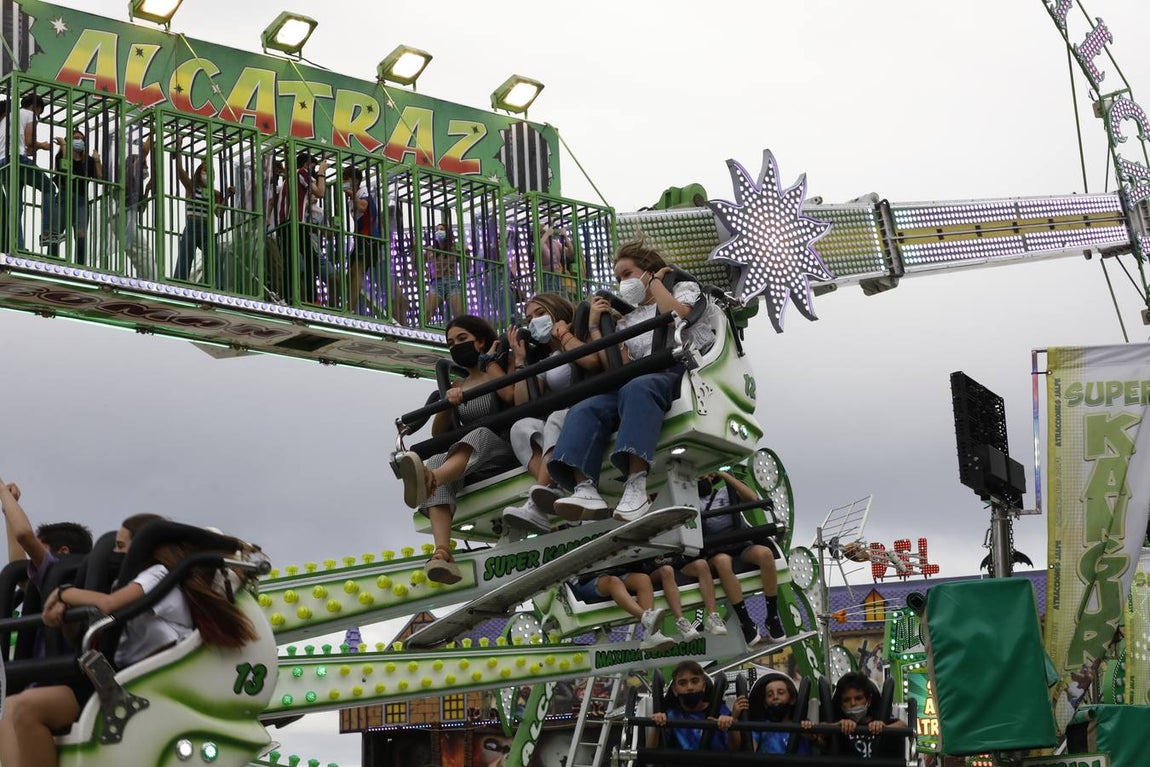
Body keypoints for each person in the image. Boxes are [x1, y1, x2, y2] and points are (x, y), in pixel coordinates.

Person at [0, 516, 259, 767]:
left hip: (140, 685)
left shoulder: (159, 575)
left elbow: (108, 604)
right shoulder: (127, 582)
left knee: (27, 708)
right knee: (9, 706)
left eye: (121, 546)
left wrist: (64, 593)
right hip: (120, 680)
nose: (114, 551)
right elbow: (92, 629)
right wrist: (65, 617)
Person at [549, 240, 715, 522]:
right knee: (585, 407)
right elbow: (617, 365)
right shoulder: (627, 321)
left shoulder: (682, 289)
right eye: (618, 279)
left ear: (648, 271)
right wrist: (594, 326)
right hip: (636, 381)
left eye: (627, 274)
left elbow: (678, 315)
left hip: (676, 371)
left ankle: (636, 485)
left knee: (639, 387)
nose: (622, 282)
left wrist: (658, 285)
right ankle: (584, 486)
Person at [396, 315, 516, 583]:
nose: (456, 346)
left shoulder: (497, 369)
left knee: (479, 434)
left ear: (481, 341)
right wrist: (448, 402)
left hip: (501, 444)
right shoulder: (457, 385)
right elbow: (439, 434)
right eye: (451, 343)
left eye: (462, 339)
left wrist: (489, 363)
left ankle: (430, 480)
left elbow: (509, 395)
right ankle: (442, 552)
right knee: (438, 456)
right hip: (470, 455)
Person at [501, 292, 601, 534]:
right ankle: (556, 488)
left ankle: (537, 502)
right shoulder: (548, 359)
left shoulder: (579, 335)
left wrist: (564, 335)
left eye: (540, 313)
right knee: (520, 427)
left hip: (586, 411)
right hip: (558, 422)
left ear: (557, 312)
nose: (534, 321)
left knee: (556, 418)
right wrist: (521, 360)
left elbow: (593, 362)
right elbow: (522, 402)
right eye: (529, 318)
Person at [0, 477, 93, 659]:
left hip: (55, 678)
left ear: (63, 551)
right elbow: (18, 569)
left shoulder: (62, 573)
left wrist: (3, 493)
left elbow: (24, 535)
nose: (32, 556)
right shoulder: (49, 586)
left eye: (39, 547)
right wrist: (8, 512)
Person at [699, 469, 786, 644]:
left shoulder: (726, 491)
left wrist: (725, 475)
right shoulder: (693, 501)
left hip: (740, 544)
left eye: (706, 475)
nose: (703, 479)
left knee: (766, 554)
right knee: (723, 563)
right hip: (717, 550)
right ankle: (746, 621)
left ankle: (772, 616)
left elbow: (753, 499)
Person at [172, 140, 235, 285]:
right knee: (185, 256)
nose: (208, 174)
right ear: (198, 173)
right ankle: (178, 283)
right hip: (192, 225)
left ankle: (216, 285)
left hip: (207, 228)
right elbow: (181, 172)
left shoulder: (214, 193)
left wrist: (227, 196)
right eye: (205, 171)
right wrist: (179, 150)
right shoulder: (191, 187)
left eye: (210, 172)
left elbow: (219, 213)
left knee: (214, 257)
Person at [649, 660, 747, 751]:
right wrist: (657, 726)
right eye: (683, 683)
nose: (690, 687)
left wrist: (732, 721)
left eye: (695, 681)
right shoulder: (670, 715)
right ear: (674, 689)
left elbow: (735, 748)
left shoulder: (720, 711)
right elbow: (650, 753)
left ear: (704, 686)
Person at [568, 568, 674, 651]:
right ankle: (646, 618)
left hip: (615, 571)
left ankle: (649, 635)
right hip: (585, 580)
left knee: (643, 579)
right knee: (613, 581)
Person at [16, 92, 63, 249]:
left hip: (4, 163)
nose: (39, 116)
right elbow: (29, 141)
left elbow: (20, 146)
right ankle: (48, 232)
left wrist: (31, 150)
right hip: (18, 161)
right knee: (49, 187)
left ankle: (17, 246)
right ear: (35, 107)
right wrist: (43, 145)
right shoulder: (29, 114)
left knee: (15, 207)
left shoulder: (9, 117)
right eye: (39, 112)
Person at [826, 671, 908, 760]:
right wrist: (837, 725)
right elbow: (820, 730)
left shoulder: (881, 719)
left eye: (858, 698)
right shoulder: (839, 724)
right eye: (847, 700)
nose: (853, 703)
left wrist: (884, 727)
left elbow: (903, 725)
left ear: (868, 700)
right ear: (841, 704)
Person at [52, 128, 102, 266]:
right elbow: (60, 171)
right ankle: (53, 262)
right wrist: (64, 147)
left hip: (81, 199)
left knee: (81, 234)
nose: (79, 140)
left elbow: (100, 177)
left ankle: (79, 265)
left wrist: (97, 161)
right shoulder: (62, 156)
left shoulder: (89, 161)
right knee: (56, 232)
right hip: (63, 196)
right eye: (75, 138)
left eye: (81, 138)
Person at [647, 557, 727, 639]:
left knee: (702, 564)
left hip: (680, 565)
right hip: (653, 570)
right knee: (667, 570)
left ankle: (712, 616)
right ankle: (681, 621)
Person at [340, 166, 381, 316]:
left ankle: (351, 308)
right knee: (350, 274)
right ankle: (349, 305)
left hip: (368, 238)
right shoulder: (353, 196)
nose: (344, 182)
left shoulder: (362, 192)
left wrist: (352, 194)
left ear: (356, 181)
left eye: (346, 179)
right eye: (343, 179)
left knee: (357, 271)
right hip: (360, 237)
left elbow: (364, 207)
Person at [749, 675, 814, 755]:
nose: (775, 697)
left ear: (792, 699)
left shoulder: (803, 724)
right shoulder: (760, 727)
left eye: (781, 693)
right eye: (770, 695)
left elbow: (824, 744)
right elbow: (750, 751)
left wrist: (812, 736)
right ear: (765, 703)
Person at [425, 223, 464, 324]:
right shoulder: (430, 249)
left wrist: (466, 252)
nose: (439, 232)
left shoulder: (454, 248)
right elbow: (418, 263)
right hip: (436, 283)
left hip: (452, 282)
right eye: (437, 230)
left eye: (442, 229)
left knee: (459, 315)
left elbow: (466, 266)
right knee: (427, 313)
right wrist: (427, 272)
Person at [539, 220, 575, 296]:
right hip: (546, 278)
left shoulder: (555, 243)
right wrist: (546, 234)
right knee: (551, 299)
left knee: (562, 300)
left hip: (558, 277)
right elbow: (538, 248)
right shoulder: (541, 243)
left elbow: (571, 254)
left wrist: (565, 236)